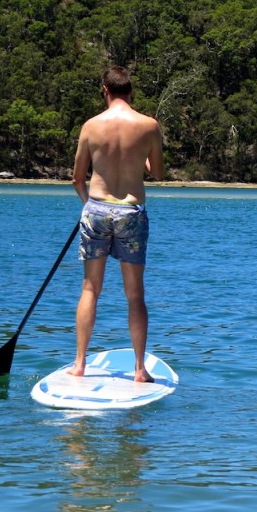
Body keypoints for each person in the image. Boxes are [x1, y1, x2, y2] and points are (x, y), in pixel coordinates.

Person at [70, 66, 164, 382]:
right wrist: (143, 158)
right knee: (135, 295)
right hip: (131, 212)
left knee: (90, 288)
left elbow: (77, 179)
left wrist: (89, 207)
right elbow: (158, 172)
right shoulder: (149, 125)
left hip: (96, 209)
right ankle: (139, 370)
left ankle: (80, 364)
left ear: (105, 90)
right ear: (131, 92)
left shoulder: (90, 126)